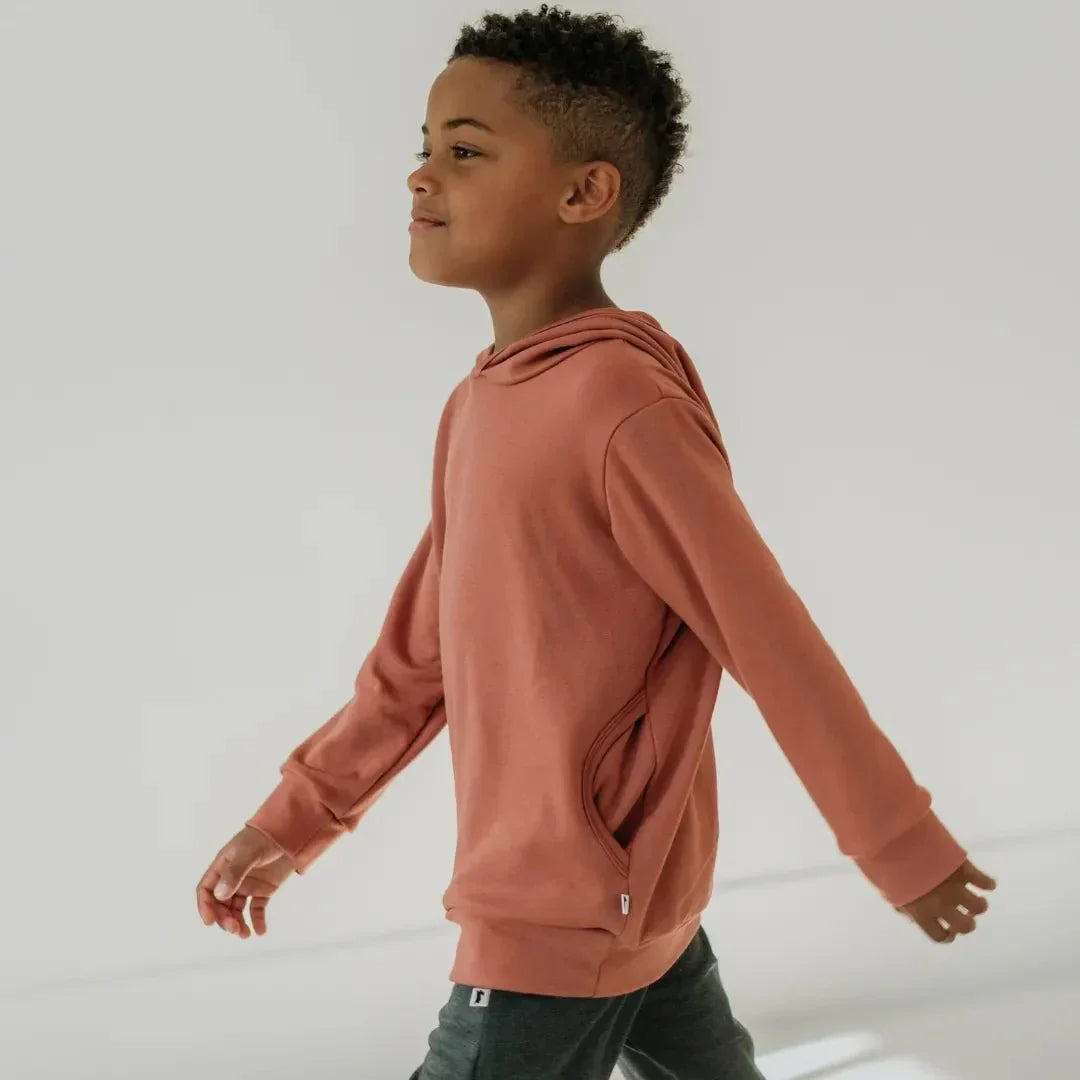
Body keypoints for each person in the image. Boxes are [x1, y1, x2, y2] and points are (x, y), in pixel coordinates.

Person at [195, 6, 996, 1077]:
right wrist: (288, 823)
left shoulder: (617, 405)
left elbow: (768, 637)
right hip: (629, 900)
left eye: (466, 152)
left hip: (563, 912)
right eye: (423, 149)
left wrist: (903, 850)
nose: (421, 178)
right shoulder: (483, 403)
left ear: (584, 193)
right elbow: (418, 665)